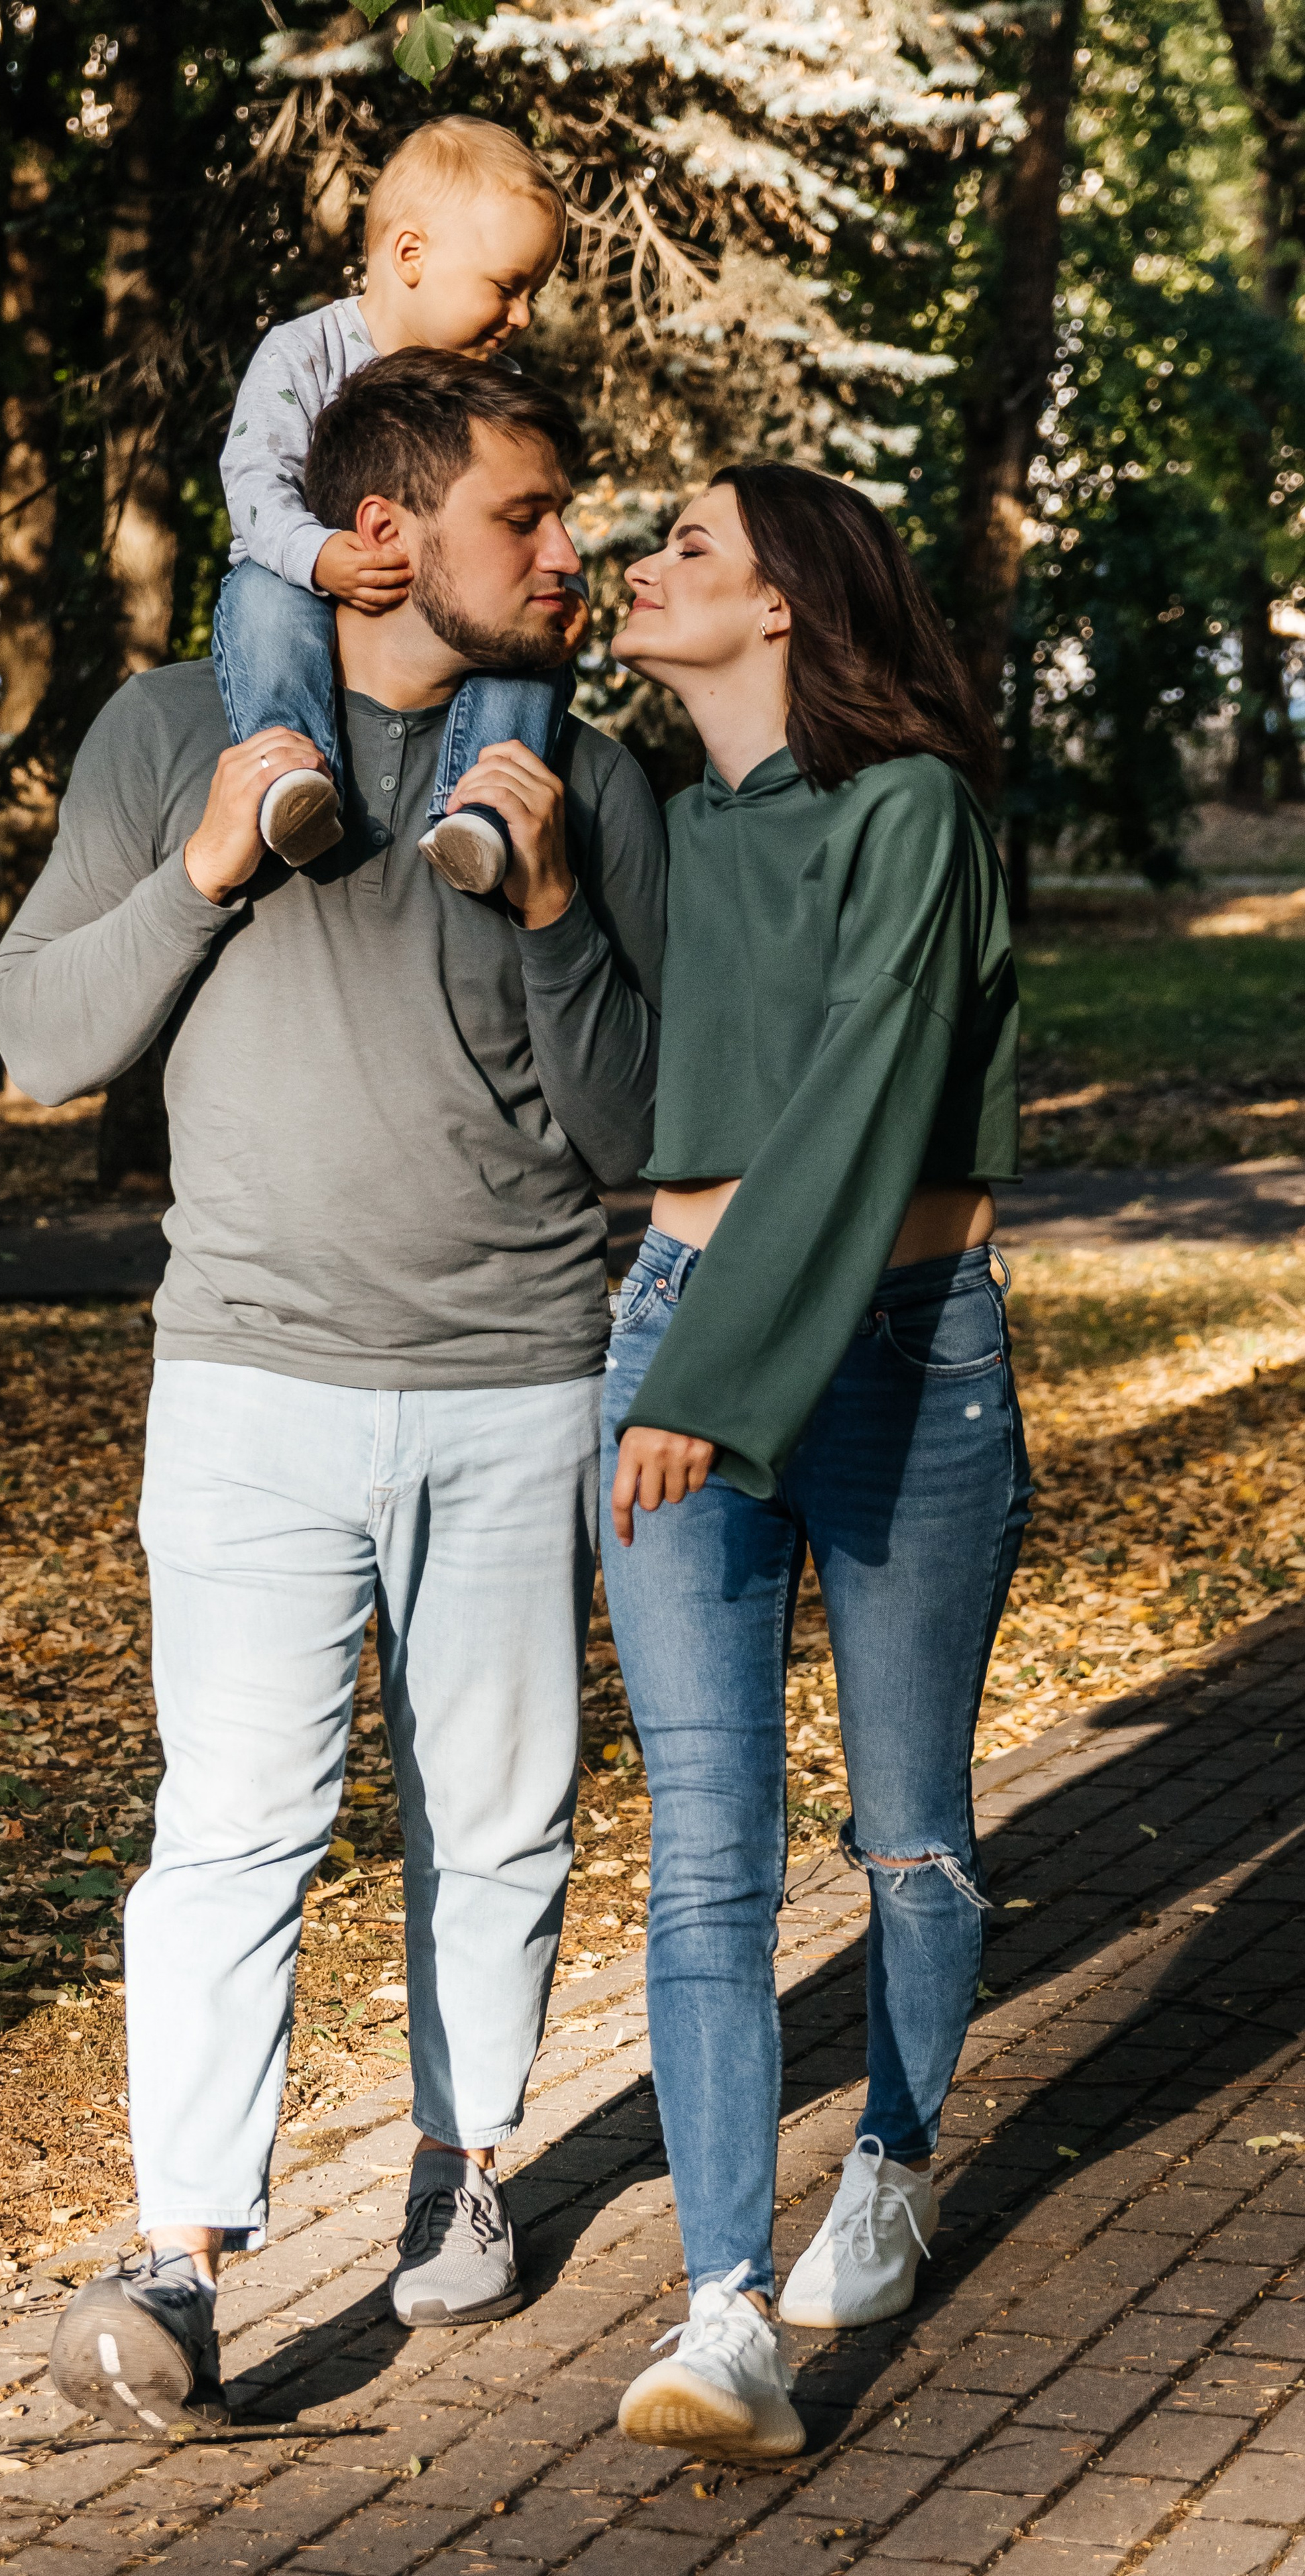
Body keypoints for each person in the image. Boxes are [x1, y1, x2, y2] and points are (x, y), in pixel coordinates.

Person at [0, 351, 666, 2432]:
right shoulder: (177, 727)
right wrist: (197, 868)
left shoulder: (590, 778)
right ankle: (180, 2254)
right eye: (525, 516)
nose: (569, 553)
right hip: (249, 1381)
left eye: (569, 518)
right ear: (381, 538)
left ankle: (464, 2173)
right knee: (233, 1828)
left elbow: (640, 1128)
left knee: (501, 1823)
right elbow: (32, 1041)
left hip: (520, 1374)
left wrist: (551, 907)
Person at [598, 463, 1031, 2462]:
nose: (641, 565)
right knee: (703, 1855)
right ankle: (719, 2312)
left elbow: (868, 1080)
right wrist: (528, 907)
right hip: (678, 1327)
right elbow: (613, 1087)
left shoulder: (913, 808)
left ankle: (898, 2153)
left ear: (783, 602)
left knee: (909, 1830)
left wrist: (719, 1363)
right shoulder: (667, 820)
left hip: (890, 1355)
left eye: (688, 541)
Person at [215, 113, 585, 895]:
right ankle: (291, 778)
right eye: (507, 286)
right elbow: (252, 479)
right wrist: (315, 554)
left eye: (533, 293)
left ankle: (480, 816)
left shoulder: (501, 390)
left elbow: (525, 521)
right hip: (300, 578)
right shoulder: (305, 350)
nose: (522, 315)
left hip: (451, 610)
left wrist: (558, 594)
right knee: (264, 606)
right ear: (410, 255)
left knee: (526, 657)